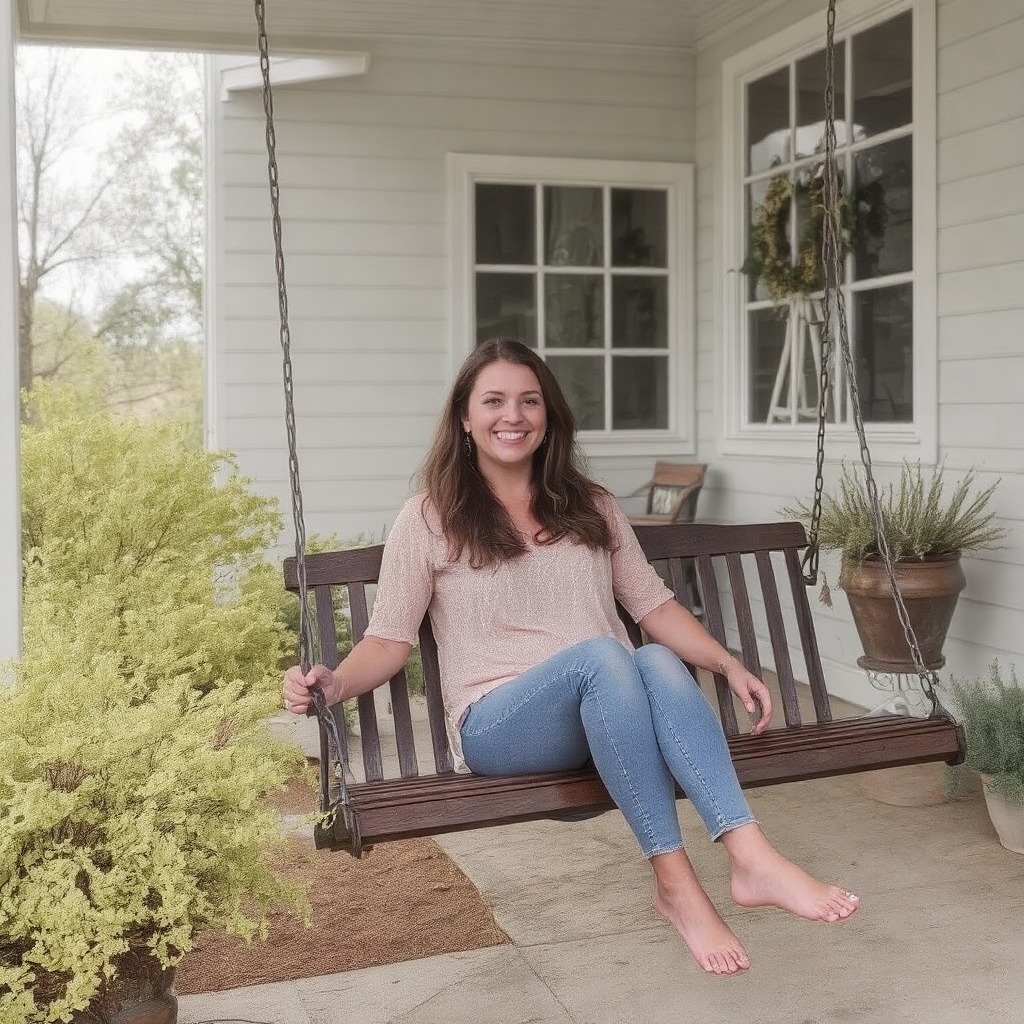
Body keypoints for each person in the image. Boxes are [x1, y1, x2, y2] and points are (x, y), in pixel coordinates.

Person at [282, 338, 859, 977]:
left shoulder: (591, 505)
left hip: (610, 715)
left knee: (656, 661)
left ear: (549, 416)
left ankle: (749, 857)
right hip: (497, 724)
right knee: (608, 658)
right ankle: (677, 885)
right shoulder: (428, 518)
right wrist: (329, 685)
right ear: (464, 420)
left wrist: (726, 663)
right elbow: (389, 640)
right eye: (494, 401)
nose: (514, 416)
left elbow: (654, 606)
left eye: (530, 401)